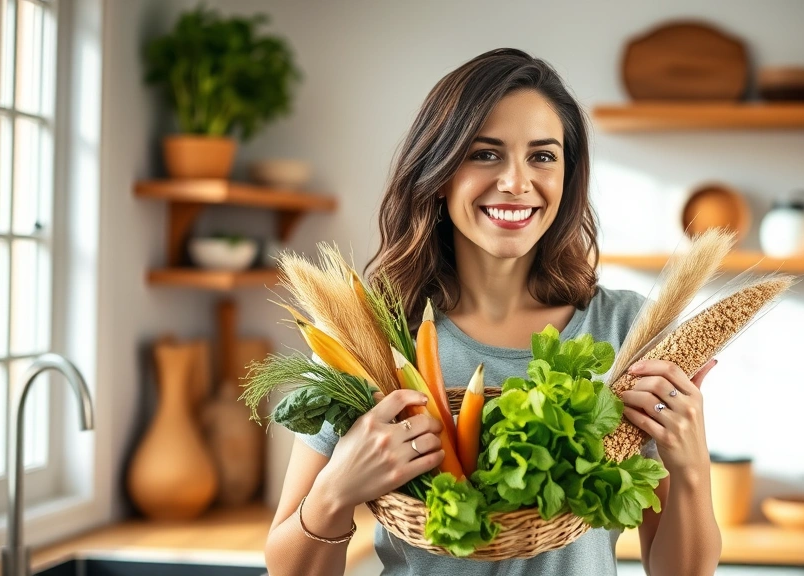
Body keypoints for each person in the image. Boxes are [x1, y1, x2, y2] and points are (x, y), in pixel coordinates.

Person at [264, 48, 722, 576]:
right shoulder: (366, 338)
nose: (516, 182)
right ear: (438, 172)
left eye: (543, 156)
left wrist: (691, 467)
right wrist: (335, 491)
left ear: (568, 178)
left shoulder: (627, 330)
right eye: (485, 154)